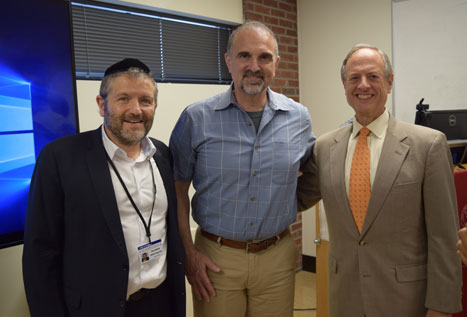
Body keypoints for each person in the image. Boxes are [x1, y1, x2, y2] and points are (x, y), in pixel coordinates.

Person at [297, 44, 462, 316]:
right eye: (354, 78)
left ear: (389, 81)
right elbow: (297, 198)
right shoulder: (324, 147)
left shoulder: (427, 145)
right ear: (344, 84)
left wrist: (441, 306)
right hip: (345, 296)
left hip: (406, 300)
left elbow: (444, 238)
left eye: (373, 76)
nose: (363, 85)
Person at [169, 21, 315, 317]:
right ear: (228, 61)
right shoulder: (196, 118)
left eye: (263, 57)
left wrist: (287, 202)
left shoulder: (298, 117)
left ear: (276, 62)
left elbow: (312, 173)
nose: (254, 66)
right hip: (216, 258)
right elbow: (177, 189)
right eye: (244, 56)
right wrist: (188, 252)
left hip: (277, 258)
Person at [22, 58, 185, 317]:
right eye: (123, 99)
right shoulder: (60, 158)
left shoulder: (163, 155)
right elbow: (40, 254)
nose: (136, 110)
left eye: (145, 100)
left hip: (161, 302)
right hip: (96, 307)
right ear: (102, 105)